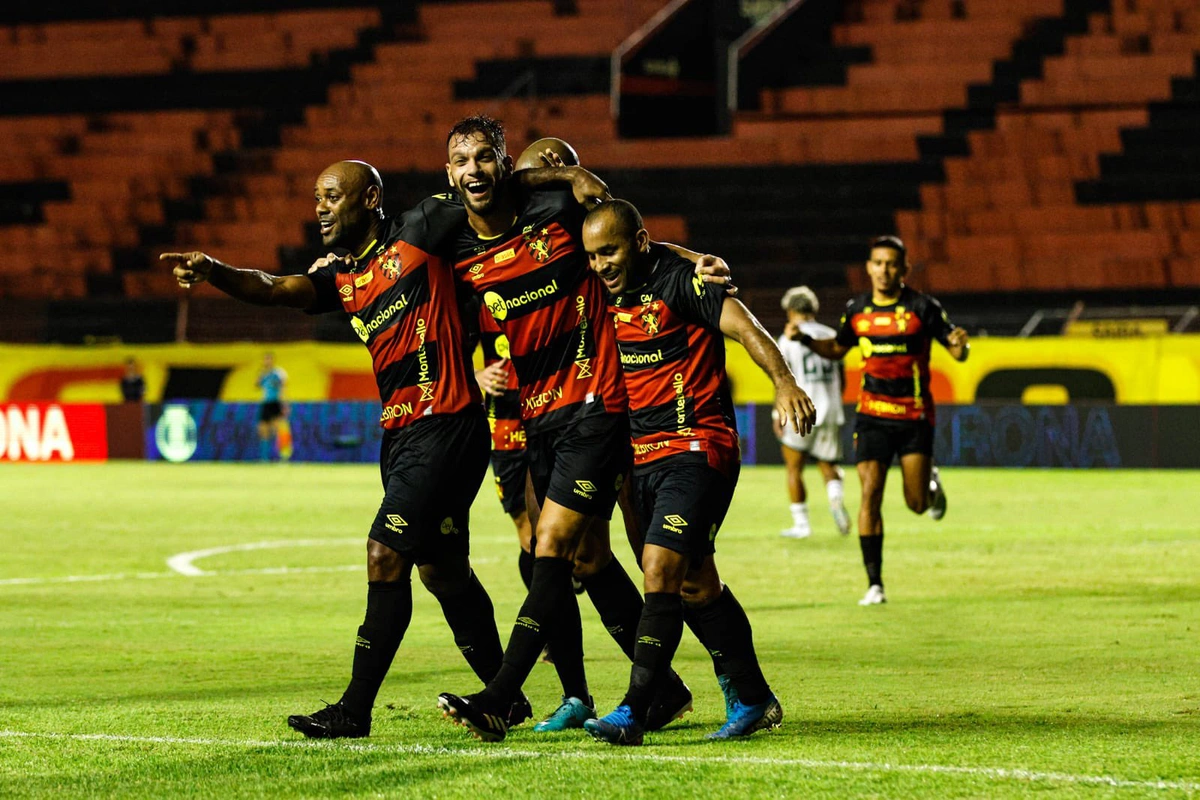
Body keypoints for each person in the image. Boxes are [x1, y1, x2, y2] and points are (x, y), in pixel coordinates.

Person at [159, 160, 524, 739]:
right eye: (316, 198)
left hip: (445, 422)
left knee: (385, 553)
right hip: (402, 435)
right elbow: (272, 288)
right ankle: (509, 698)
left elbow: (492, 205)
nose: (321, 207)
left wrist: (556, 183)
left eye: (332, 196)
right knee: (443, 572)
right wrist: (213, 270)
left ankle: (354, 710)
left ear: (370, 196)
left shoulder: (422, 229)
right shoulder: (344, 279)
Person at [436, 116, 728, 742]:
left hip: (597, 404)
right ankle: (658, 690)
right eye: (464, 162)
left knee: (553, 545)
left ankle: (500, 693)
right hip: (537, 416)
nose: (475, 172)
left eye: (487, 159)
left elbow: (633, 241)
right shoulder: (460, 244)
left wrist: (692, 258)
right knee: (592, 556)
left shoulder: (565, 222)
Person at [577, 200, 815, 744]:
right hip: (644, 455)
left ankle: (635, 710)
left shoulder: (683, 282)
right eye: (593, 256)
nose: (600, 265)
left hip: (699, 445)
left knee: (659, 570)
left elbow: (747, 326)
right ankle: (752, 697)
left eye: (609, 252)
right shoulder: (604, 286)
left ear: (637, 243)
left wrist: (783, 382)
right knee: (696, 584)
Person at [801, 236, 969, 605]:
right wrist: (806, 341)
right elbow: (836, 348)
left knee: (917, 505)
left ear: (904, 269)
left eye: (892, 264)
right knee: (870, 492)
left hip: (914, 417)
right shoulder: (857, 309)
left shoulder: (922, 307)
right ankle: (874, 584)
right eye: (878, 263)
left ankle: (931, 488)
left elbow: (955, 348)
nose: (884, 270)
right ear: (869, 267)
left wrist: (961, 345)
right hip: (871, 415)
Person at [775, 286, 850, 538]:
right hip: (830, 408)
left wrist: (778, 414)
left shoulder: (788, 339)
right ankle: (836, 498)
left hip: (800, 410)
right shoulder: (830, 334)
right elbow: (842, 379)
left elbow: (782, 380)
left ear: (790, 310)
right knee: (829, 465)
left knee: (794, 467)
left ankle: (802, 525)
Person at [255, 352, 288, 461]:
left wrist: (284, 403)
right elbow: (257, 386)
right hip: (266, 403)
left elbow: (283, 388)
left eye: (269, 359)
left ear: (272, 360)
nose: (267, 361)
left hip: (275, 403)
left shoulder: (278, 373)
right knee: (262, 429)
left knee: (277, 428)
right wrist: (259, 377)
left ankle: (280, 456)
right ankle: (264, 457)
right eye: (265, 359)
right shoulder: (263, 374)